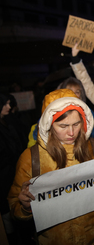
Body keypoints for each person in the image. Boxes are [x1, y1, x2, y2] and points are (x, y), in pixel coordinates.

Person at [7, 89, 94, 245]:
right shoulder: (31, 158)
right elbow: (15, 207)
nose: (71, 132)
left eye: (76, 124)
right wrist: (25, 207)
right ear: (49, 124)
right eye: (63, 126)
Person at [28, 76, 94, 148]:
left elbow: (92, 133)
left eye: (77, 92)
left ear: (81, 94)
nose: (72, 94)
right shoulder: (53, 110)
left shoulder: (88, 113)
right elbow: (40, 129)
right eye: (69, 91)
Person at [0, 93, 25, 243]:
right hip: (3, 178)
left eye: (10, 103)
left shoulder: (7, 121)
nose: (8, 107)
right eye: (5, 104)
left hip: (14, 173)